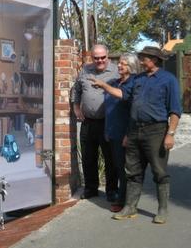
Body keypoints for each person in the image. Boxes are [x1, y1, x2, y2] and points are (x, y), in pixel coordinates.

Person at [90, 46, 182, 224]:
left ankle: (162, 209)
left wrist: (170, 133)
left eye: (144, 58)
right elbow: (123, 95)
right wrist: (104, 86)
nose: (141, 61)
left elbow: (175, 110)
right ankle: (130, 207)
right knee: (132, 171)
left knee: (159, 171)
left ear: (154, 60)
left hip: (156, 130)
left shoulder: (168, 80)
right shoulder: (138, 79)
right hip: (134, 131)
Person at [72, 44, 118, 201]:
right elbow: (76, 90)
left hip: (108, 122)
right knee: (88, 157)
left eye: (103, 57)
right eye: (96, 58)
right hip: (88, 122)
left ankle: (112, 190)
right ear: (92, 57)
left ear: (108, 56)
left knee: (110, 158)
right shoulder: (85, 70)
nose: (100, 61)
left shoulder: (116, 71)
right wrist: (76, 108)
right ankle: (91, 188)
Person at [103, 53, 140, 213]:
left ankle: (124, 200)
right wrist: (107, 129)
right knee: (116, 166)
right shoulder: (115, 82)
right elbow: (109, 109)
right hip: (112, 132)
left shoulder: (135, 83)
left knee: (125, 168)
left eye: (123, 64)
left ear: (131, 67)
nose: (119, 66)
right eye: (119, 63)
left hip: (125, 133)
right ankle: (120, 195)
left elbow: (134, 111)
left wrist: (128, 134)